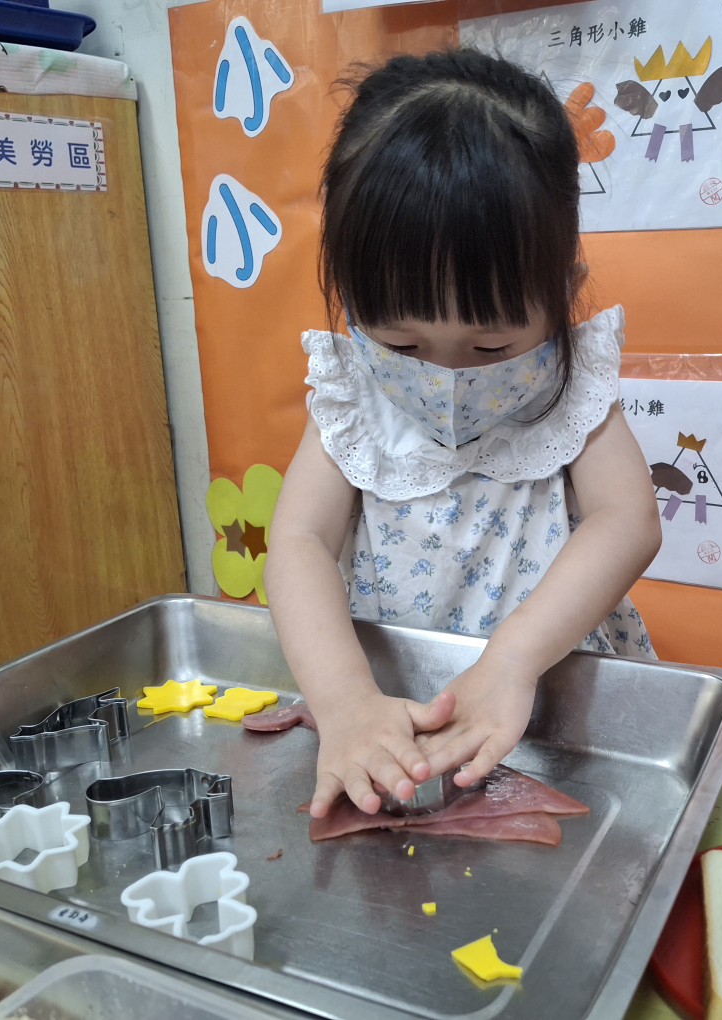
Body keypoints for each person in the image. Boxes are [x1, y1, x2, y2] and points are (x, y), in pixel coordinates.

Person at [265, 48, 662, 820]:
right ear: (350, 296)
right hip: (389, 707)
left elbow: (628, 521)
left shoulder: (571, 385)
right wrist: (344, 700)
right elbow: (299, 542)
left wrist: (513, 660)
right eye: (403, 343)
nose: (445, 374)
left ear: (564, 294)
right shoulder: (355, 395)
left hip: (549, 691)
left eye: (490, 346)